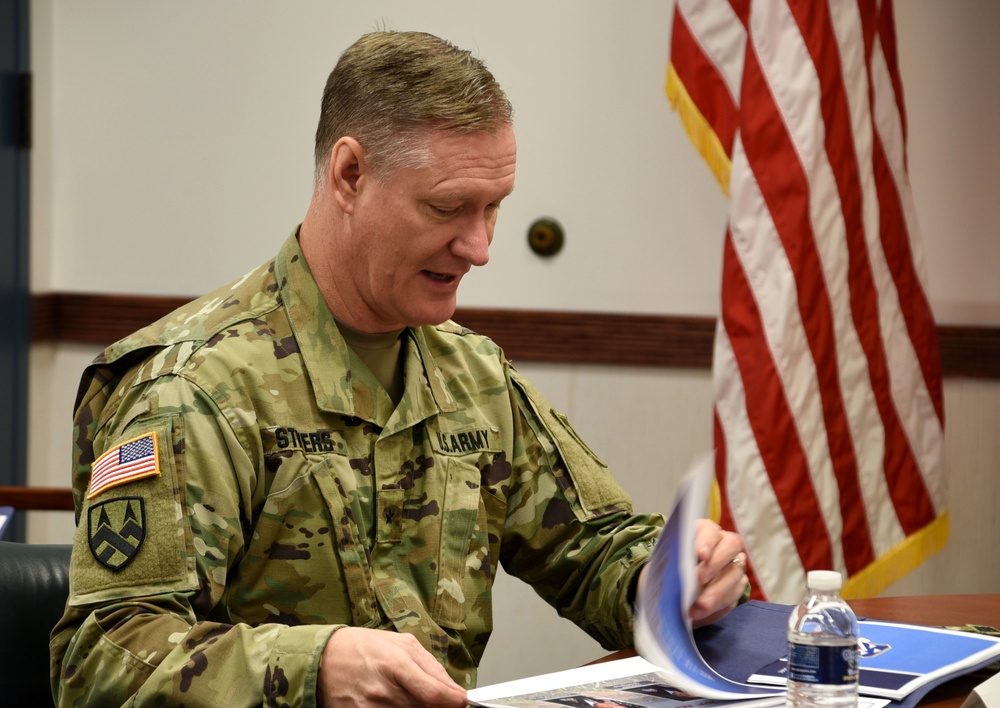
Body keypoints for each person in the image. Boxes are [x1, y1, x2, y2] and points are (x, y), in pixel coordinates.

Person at [50, 30, 747, 707]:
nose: (478, 248)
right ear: (349, 174)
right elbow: (102, 660)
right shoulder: (193, 390)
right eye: (447, 208)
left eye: (493, 209)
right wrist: (313, 670)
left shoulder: (470, 376)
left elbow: (592, 550)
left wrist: (671, 581)